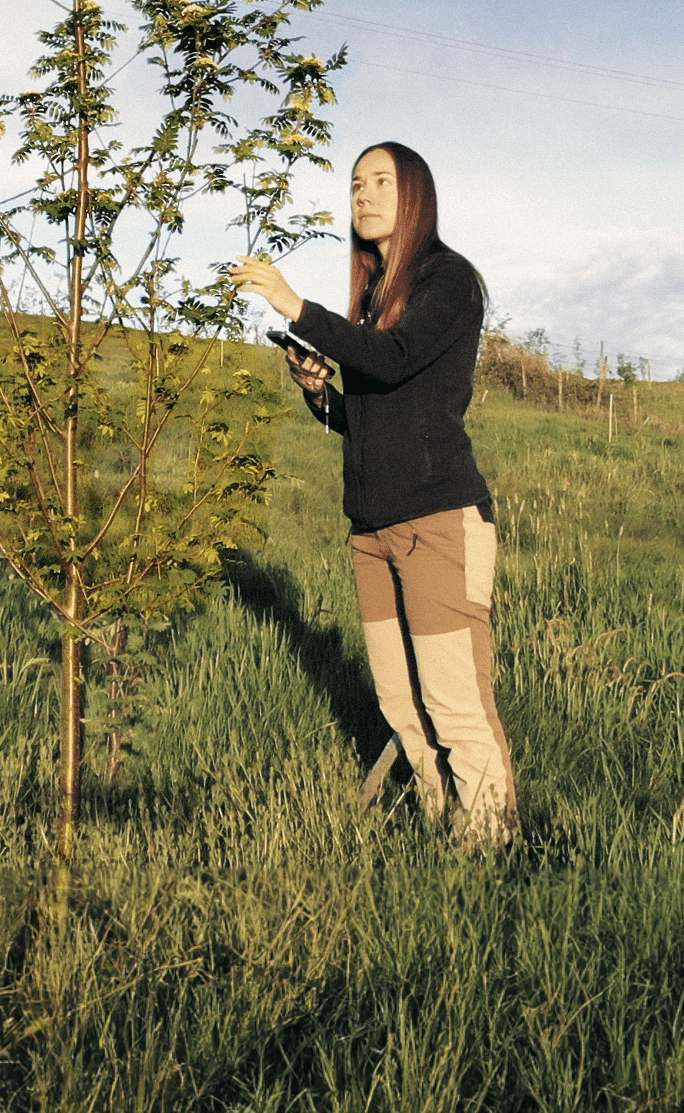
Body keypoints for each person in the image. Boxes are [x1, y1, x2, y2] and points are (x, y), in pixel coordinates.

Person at [231, 141, 517, 845]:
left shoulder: (448, 280)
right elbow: (364, 413)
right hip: (372, 532)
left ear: (415, 194)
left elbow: (394, 361)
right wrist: (319, 391)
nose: (363, 194)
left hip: (438, 521)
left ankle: (491, 849)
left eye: (381, 182)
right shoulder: (370, 299)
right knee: (399, 702)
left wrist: (296, 306)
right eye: (356, 183)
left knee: (453, 702)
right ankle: (436, 824)